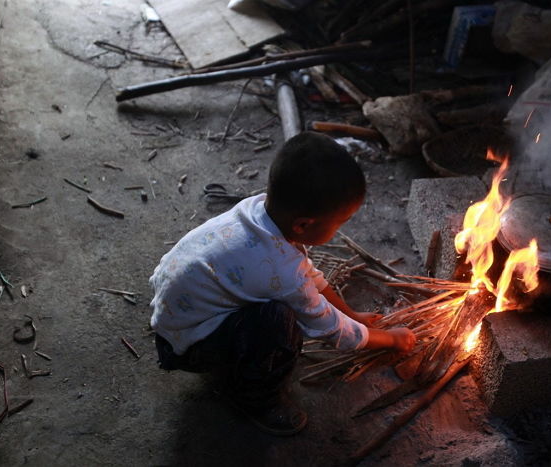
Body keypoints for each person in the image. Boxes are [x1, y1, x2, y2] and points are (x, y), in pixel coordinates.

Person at [149, 131, 416, 436]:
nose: (343, 226)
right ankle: (257, 400)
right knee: (279, 323)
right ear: (303, 224)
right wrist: (391, 339)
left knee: (270, 307)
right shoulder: (281, 271)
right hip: (187, 347)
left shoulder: (257, 211)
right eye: (342, 221)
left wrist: (355, 316)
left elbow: (310, 275)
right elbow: (330, 329)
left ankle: (231, 356)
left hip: (176, 316)